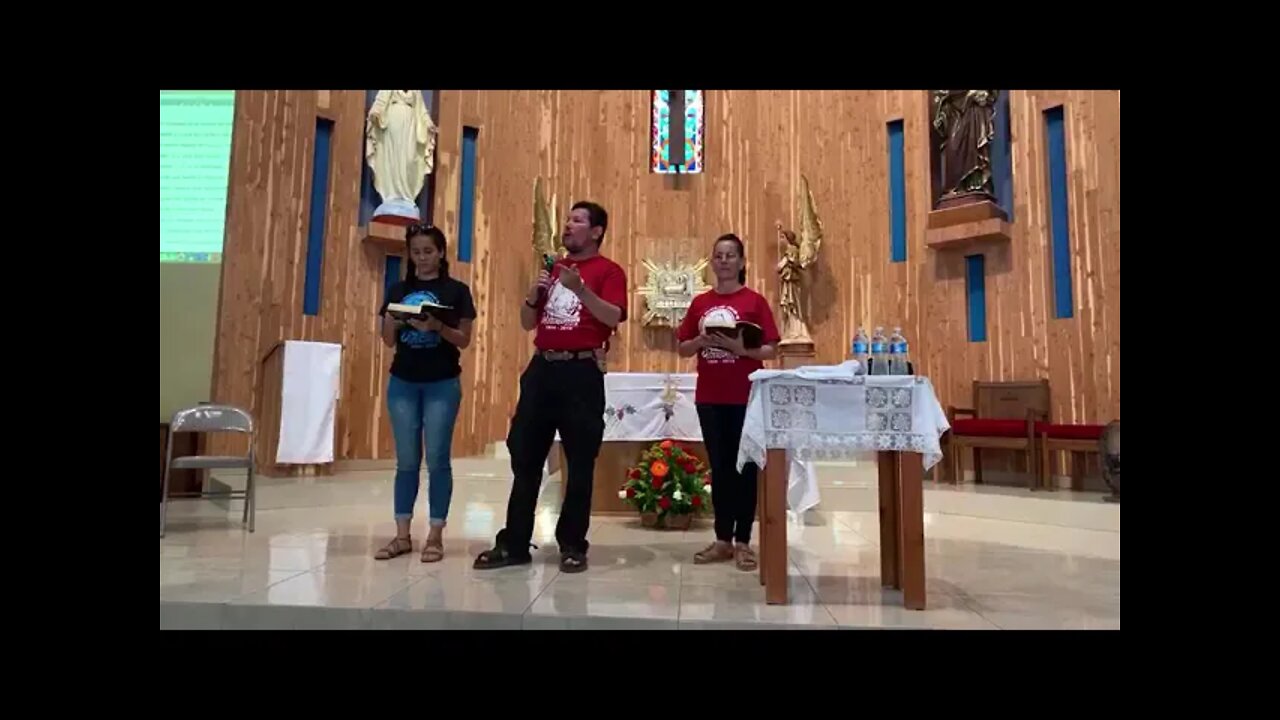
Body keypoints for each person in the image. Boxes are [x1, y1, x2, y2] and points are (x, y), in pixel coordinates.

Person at [474, 201, 627, 574]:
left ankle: (573, 544)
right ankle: (514, 543)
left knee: (579, 463)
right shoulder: (552, 268)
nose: (568, 225)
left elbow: (614, 317)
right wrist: (532, 294)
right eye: (567, 219)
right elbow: (528, 323)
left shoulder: (608, 271)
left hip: (581, 373)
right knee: (525, 458)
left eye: (577, 220)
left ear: (596, 232)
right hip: (543, 368)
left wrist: (582, 291)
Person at [676, 233, 780, 571]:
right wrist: (700, 340)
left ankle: (744, 542)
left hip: (745, 396)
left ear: (742, 262)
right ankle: (721, 539)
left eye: (730, 255)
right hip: (710, 396)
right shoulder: (700, 303)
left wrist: (741, 350)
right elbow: (683, 347)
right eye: (718, 255)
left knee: (745, 469)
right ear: (712, 261)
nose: (723, 261)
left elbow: (771, 349)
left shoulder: (754, 301)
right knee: (720, 469)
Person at [373, 224, 476, 563]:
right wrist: (394, 320)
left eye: (428, 251)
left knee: (437, 459)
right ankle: (402, 535)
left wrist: (437, 327)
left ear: (441, 253)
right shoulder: (399, 288)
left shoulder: (456, 291)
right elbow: (387, 340)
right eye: (416, 252)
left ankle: (435, 535)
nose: (422, 258)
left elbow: (464, 339)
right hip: (403, 381)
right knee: (405, 462)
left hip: (442, 383)